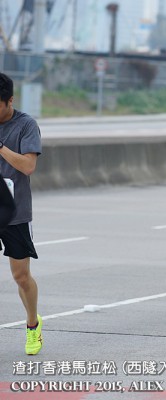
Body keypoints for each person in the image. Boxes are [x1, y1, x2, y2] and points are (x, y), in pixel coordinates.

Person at [0, 72, 43, 355]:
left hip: (14, 212)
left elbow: (28, 166)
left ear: (10, 101)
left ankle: (32, 324)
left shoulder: (26, 125)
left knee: (21, 276)